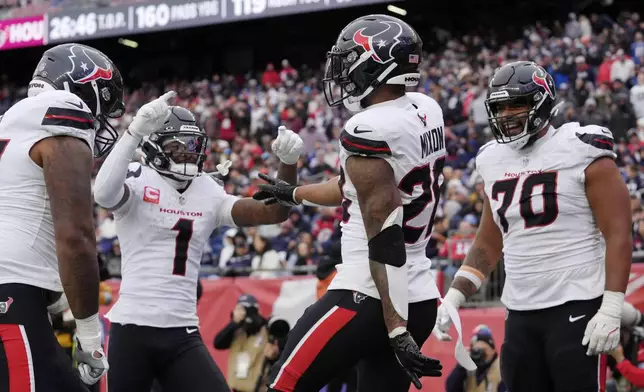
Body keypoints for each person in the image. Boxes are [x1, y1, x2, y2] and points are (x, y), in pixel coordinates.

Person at [254, 14, 445, 392]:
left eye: (349, 59)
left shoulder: (368, 128)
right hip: (420, 293)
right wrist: (292, 192)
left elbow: (384, 235)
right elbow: (352, 188)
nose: (341, 71)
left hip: (370, 293)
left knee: (282, 386)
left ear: (376, 64)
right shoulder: (426, 108)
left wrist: (395, 326)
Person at [433, 61, 633, 391]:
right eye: (500, 107)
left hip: (577, 303)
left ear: (541, 104)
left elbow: (618, 232)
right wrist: (454, 296)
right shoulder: (492, 159)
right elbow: (487, 243)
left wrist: (611, 308)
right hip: (520, 311)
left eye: (517, 104)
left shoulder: (580, 147)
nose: (507, 114)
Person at [92, 98, 303, 392]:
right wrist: (134, 131)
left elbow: (275, 212)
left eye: (192, 146)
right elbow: (102, 194)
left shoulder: (208, 190)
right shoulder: (138, 179)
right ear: (156, 147)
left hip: (181, 332)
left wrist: (288, 164)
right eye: (177, 146)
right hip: (132, 328)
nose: (188, 154)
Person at [0, 43, 124, 391]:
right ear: (80, 85)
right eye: (104, 101)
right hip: (10, 302)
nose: (101, 120)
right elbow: (76, 237)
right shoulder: (63, 108)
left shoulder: (12, 120)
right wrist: (89, 335)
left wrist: (49, 285)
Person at [213, 294, 272, 392]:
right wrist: (234, 322)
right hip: (237, 387)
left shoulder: (266, 330)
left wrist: (255, 318)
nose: (243, 313)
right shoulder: (237, 330)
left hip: (259, 388)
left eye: (246, 310)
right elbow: (218, 343)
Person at [445, 325, 505, 392]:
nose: (480, 354)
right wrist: (460, 366)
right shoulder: (466, 368)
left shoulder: (501, 369)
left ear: (493, 350)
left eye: (484, 350)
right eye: (476, 350)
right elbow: (451, 389)